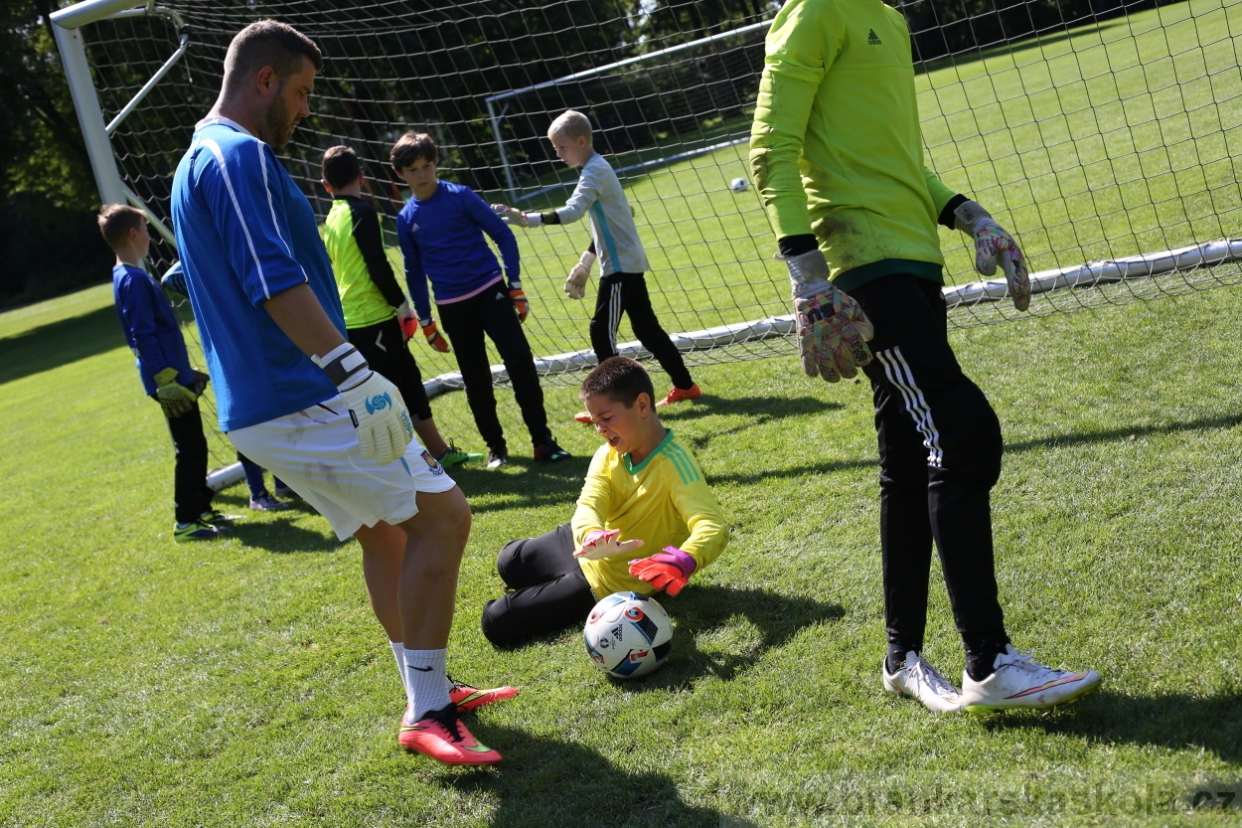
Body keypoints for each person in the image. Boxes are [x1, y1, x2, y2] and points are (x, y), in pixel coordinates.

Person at [169, 20, 513, 765]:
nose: (302, 110)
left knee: (385, 534)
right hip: (299, 393)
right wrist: (357, 375)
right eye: (298, 93)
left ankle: (432, 691)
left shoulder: (198, 159)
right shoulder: (236, 156)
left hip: (267, 405)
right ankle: (426, 708)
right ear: (263, 81)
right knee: (446, 519)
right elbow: (273, 281)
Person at [749, 0, 1100, 714]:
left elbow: (898, 163)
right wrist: (809, 281)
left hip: (912, 257)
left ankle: (902, 657)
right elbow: (768, 147)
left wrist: (972, 215)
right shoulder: (814, 11)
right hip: (862, 270)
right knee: (963, 435)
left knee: (910, 459)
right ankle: (990, 662)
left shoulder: (885, 15)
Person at [480, 356, 728, 647]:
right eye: (595, 421)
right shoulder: (608, 453)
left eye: (607, 418)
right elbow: (589, 503)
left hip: (607, 583)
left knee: (496, 621)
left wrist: (683, 560)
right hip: (583, 544)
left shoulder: (675, 465)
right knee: (508, 561)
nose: (600, 429)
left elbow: (713, 526)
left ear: (642, 405)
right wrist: (592, 535)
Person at [492, 109, 700, 424]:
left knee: (601, 331)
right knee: (646, 329)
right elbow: (612, 218)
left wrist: (526, 219)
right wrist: (586, 261)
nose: (557, 154)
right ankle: (686, 386)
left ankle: (613, 407)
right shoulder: (596, 169)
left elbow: (573, 211)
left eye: (561, 148)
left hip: (620, 268)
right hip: (624, 264)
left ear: (581, 140)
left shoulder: (594, 172)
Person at [390, 130, 570, 469]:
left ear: (436, 164)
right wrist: (426, 322)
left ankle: (543, 442)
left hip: (492, 292)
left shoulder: (461, 196)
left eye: (427, 166)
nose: (422, 175)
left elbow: (502, 234)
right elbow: (414, 273)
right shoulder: (406, 219)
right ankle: (496, 449)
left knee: (520, 362)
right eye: (412, 169)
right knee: (475, 379)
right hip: (452, 308)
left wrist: (513, 284)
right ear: (400, 174)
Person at [319, 144, 479, 470]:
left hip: (351, 318)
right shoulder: (361, 212)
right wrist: (402, 307)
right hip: (373, 316)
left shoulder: (331, 218)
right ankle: (422, 459)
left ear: (325, 185)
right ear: (361, 178)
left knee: (393, 384)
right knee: (401, 386)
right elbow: (377, 266)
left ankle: (431, 454)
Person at [100, 204, 229, 542]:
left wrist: (184, 371)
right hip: (167, 379)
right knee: (188, 447)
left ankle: (201, 509)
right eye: (145, 229)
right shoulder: (133, 280)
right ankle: (186, 521)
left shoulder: (127, 277)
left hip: (174, 374)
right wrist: (166, 380)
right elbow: (143, 335)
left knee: (196, 444)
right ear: (132, 234)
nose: (148, 236)